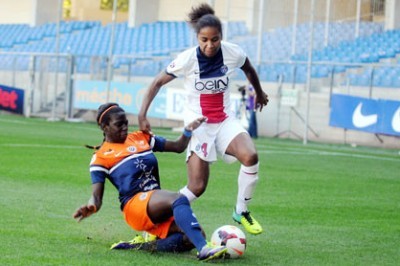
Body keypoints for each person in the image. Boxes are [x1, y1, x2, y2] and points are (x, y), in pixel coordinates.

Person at [138, 3, 269, 235]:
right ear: (197, 38)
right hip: (199, 125)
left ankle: (241, 210)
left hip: (225, 121)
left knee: (251, 156)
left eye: (215, 39)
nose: (209, 45)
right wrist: (142, 114)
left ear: (221, 37)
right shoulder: (187, 59)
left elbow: (248, 68)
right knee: (197, 187)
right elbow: (157, 82)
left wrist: (258, 92)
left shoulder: (233, 52)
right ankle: (154, 224)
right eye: (204, 40)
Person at [72, 103, 227, 261]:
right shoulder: (100, 157)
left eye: (126, 122)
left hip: (155, 203)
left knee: (194, 236)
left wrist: (188, 130)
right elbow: (96, 197)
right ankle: (205, 249)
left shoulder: (140, 137)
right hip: (134, 206)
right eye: (119, 124)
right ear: (104, 127)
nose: (125, 127)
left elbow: (178, 146)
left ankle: (139, 247)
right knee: (178, 199)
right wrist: (91, 206)